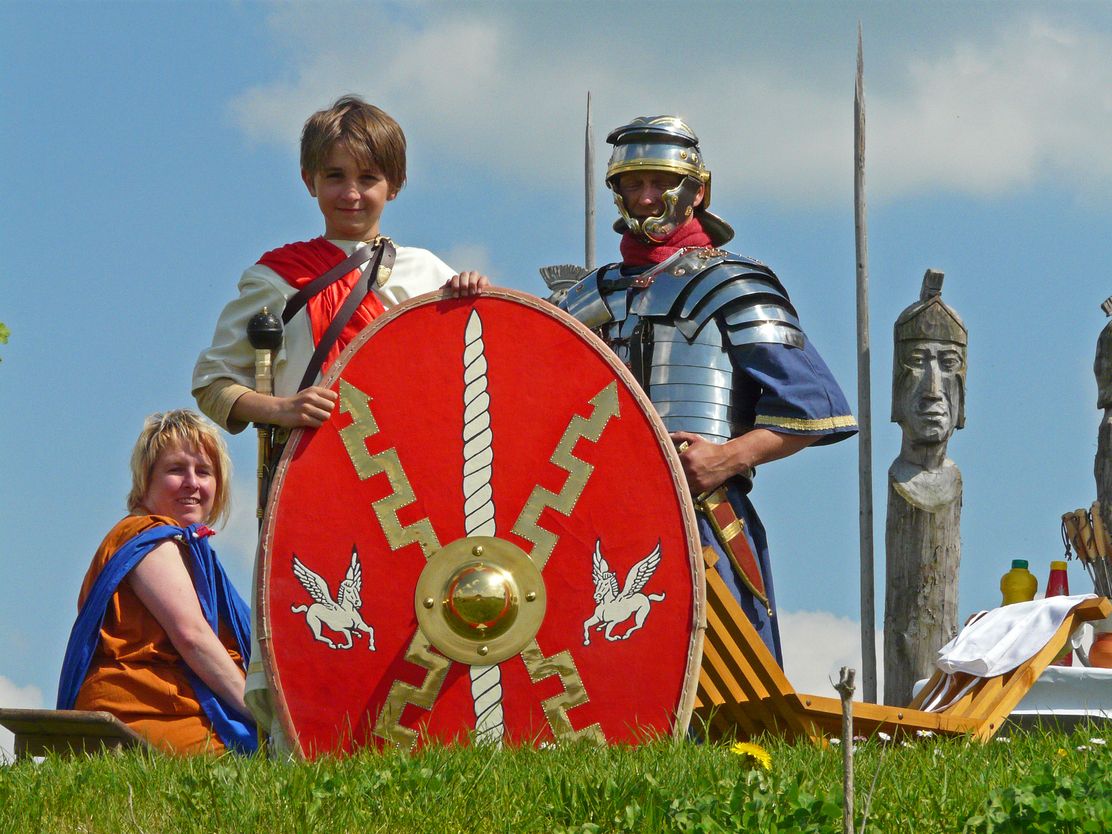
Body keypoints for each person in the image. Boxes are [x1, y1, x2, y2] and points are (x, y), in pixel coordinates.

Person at [191, 95, 489, 751]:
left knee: (402, 635)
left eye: (367, 178)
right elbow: (212, 382)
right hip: (311, 485)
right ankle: (294, 771)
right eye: (335, 176)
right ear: (310, 182)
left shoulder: (427, 275)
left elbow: (472, 378)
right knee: (312, 632)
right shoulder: (275, 277)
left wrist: (471, 299)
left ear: (394, 184)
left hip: (404, 495)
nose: (351, 194)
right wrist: (281, 409)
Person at [560, 115, 856, 664]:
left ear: (696, 192)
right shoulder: (579, 300)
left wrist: (727, 458)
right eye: (633, 183)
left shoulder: (732, 282)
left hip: (703, 513)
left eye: (661, 182)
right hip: (597, 517)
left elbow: (817, 406)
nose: (646, 197)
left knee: (727, 686)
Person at [57, 410, 255, 755]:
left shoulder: (185, 547)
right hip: (144, 708)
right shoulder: (149, 537)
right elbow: (192, 638)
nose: (192, 482)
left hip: (176, 704)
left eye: (204, 471)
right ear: (145, 481)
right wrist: (262, 714)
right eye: (176, 469)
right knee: (268, 757)